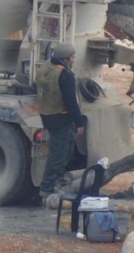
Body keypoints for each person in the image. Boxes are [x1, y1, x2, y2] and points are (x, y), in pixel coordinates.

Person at [36, 42, 85, 204]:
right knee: (58, 154)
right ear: (66, 58)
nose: (73, 60)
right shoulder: (65, 75)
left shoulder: (45, 68)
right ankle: (47, 187)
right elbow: (71, 102)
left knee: (67, 147)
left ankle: (59, 179)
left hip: (47, 115)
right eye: (72, 57)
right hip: (61, 118)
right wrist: (79, 123)